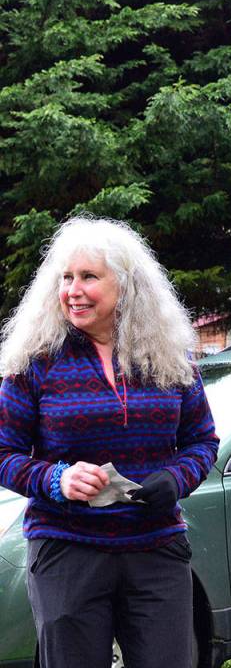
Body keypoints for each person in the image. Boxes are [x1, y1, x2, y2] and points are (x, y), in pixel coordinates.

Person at [0, 217, 219, 668]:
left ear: (127, 286)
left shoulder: (168, 357)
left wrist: (174, 480)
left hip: (155, 548)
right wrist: (56, 478)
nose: (73, 290)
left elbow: (202, 441)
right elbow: (4, 453)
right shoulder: (35, 361)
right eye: (66, 278)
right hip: (67, 548)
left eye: (88, 277)